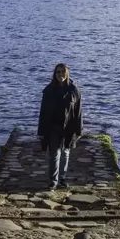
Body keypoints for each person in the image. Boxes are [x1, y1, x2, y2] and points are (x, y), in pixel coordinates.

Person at [37, 63, 83, 191]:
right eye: (58, 72)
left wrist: (79, 130)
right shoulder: (48, 90)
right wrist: (41, 131)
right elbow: (43, 112)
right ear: (54, 74)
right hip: (53, 127)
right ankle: (53, 181)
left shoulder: (74, 90)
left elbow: (79, 111)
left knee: (66, 152)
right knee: (54, 153)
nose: (60, 75)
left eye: (63, 72)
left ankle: (62, 179)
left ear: (67, 73)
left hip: (68, 127)